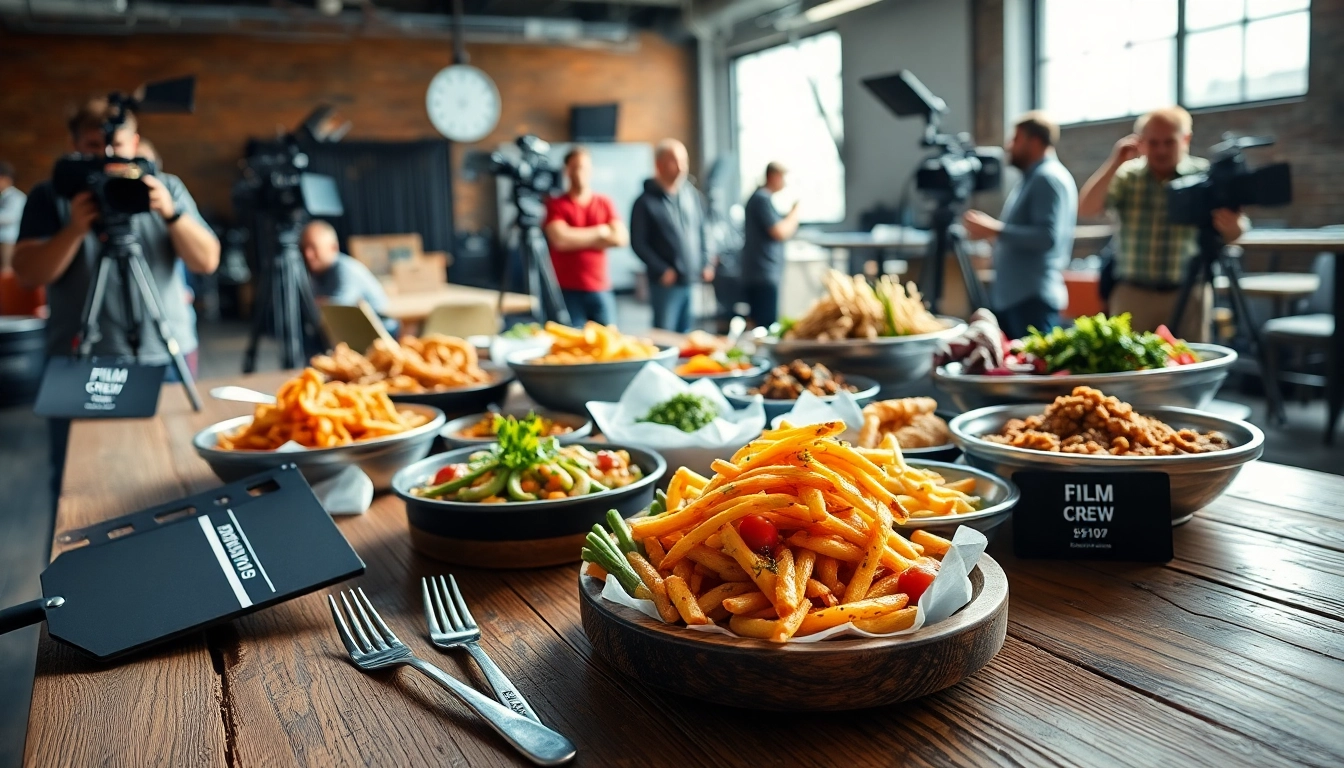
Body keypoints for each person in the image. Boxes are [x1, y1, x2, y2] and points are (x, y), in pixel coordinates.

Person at [13, 97, 219, 505]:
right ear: (75, 146)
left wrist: (171, 213)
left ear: (136, 142)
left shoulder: (166, 186)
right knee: (82, 488)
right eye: (93, 147)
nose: (107, 156)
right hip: (84, 363)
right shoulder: (52, 195)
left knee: (178, 474)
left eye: (117, 145)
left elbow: (207, 260)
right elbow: (28, 274)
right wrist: (74, 229)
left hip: (164, 356)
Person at [1078, 106, 1248, 341]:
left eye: (1169, 142)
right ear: (1141, 142)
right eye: (1153, 142)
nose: (1161, 150)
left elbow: (1237, 232)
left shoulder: (1205, 175)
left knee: (1189, 369)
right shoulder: (1127, 176)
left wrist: (1231, 226)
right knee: (1130, 372)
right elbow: (1087, 208)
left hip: (1189, 295)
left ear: (1186, 139)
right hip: (1133, 294)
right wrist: (1115, 162)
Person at [962, 111, 1077, 339]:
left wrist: (993, 229)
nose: (1008, 146)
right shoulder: (1033, 178)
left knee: (1030, 370)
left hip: (1030, 300)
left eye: (1015, 139)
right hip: (1019, 298)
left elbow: (1046, 237)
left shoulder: (1047, 178)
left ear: (1033, 141)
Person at [629, 139, 713, 333]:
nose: (682, 167)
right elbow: (638, 243)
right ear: (659, 164)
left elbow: (703, 229)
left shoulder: (691, 196)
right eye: (675, 160)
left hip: (691, 278)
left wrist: (706, 261)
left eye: (684, 160)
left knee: (687, 335)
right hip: (665, 282)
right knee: (664, 335)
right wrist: (661, 269)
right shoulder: (645, 202)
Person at [543, 146, 627, 326]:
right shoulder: (556, 204)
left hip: (600, 287)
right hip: (566, 289)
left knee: (609, 340)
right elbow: (560, 240)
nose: (581, 172)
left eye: (585, 167)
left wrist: (574, 236)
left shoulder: (604, 202)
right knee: (571, 343)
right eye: (576, 167)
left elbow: (620, 238)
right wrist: (600, 232)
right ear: (567, 170)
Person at [740, 162, 800, 328]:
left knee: (760, 323)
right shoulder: (761, 199)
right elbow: (779, 232)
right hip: (762, 273)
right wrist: (795, 213)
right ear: (774, 176)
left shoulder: (761, 199)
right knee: (765, 326)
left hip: (761, 271)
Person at [300, 219, 389, 316]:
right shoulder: (316, 273)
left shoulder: (346, 269)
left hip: (380, 325)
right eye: (304, 248)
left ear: (333, 247)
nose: (308, 254)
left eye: (314, 247)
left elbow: (339, 311)